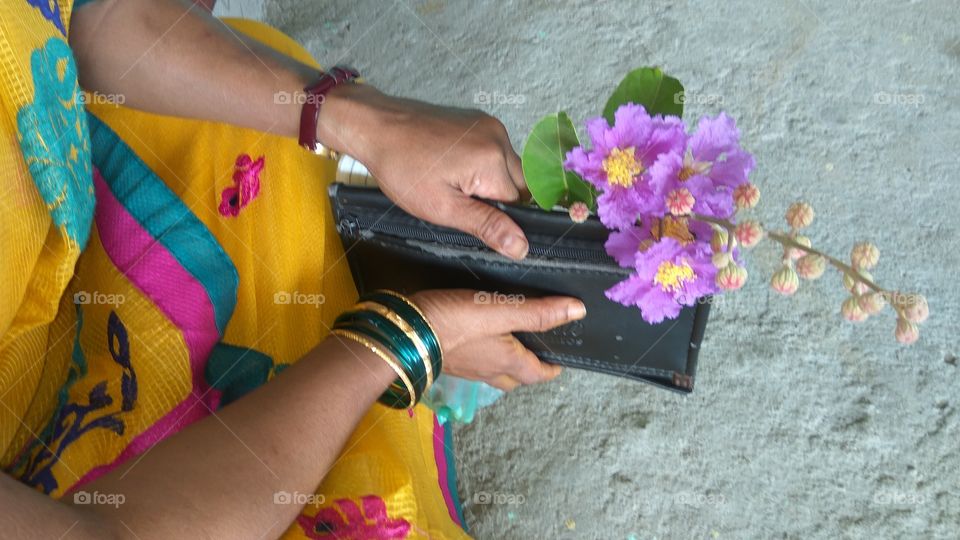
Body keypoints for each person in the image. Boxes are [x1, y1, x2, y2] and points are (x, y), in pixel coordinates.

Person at [0, 1, 586, 538]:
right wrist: (400, 336)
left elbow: (92, 15)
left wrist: (360, 118)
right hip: (89, 484)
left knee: (276, 138)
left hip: (62, 179)